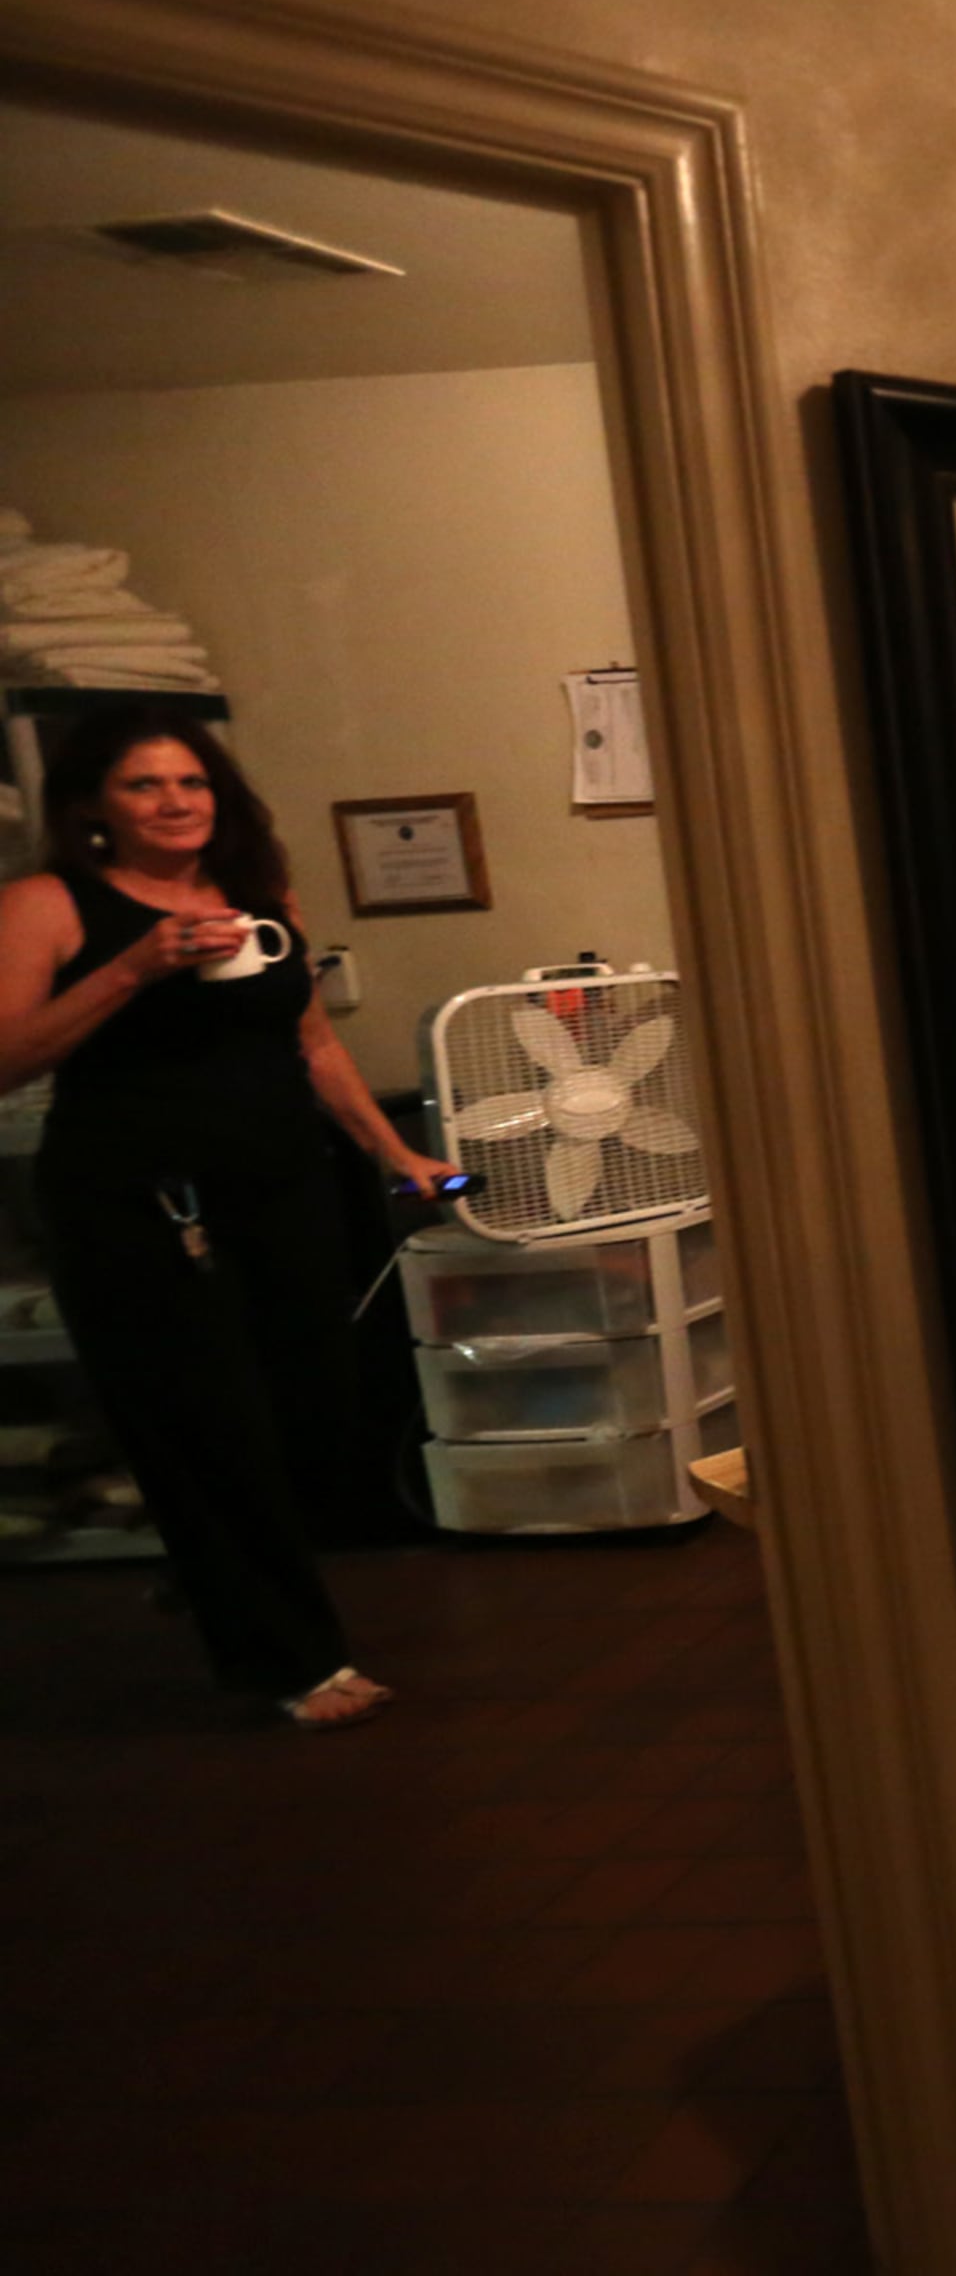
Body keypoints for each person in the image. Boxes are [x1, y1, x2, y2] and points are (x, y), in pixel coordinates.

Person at [0, 709, 458, 1728]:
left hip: (281, 1185)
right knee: (210, 1429)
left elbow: (315, 1046)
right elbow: (7, 1056)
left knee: (315, 1410)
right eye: (145, 786)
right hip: (139, 1200)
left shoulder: (257, 895)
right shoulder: (48, 904)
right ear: (91, 808)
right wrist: (133, 968)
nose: (176, 803)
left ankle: (209, 1565)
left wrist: (396, 1153)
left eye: (192, 783)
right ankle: (292, 1661)